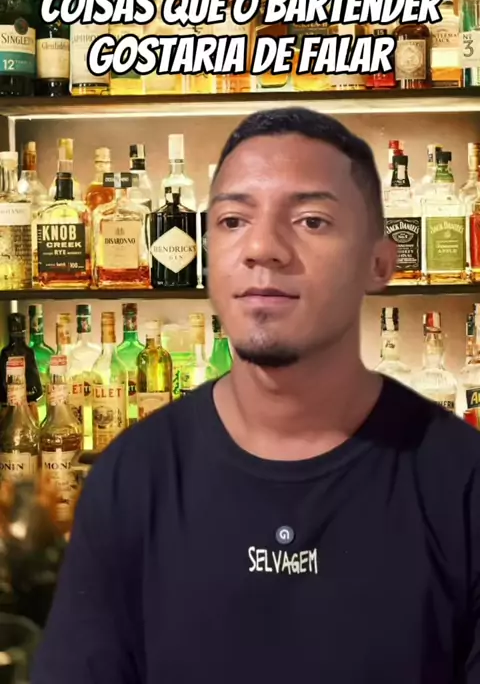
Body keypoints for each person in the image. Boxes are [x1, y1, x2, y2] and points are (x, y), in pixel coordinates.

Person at [33, 107, 480, 684]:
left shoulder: (462, 481)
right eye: (233, 220)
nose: (262, 247)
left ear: (379, 262)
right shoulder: (131, 478)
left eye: (312, 220)